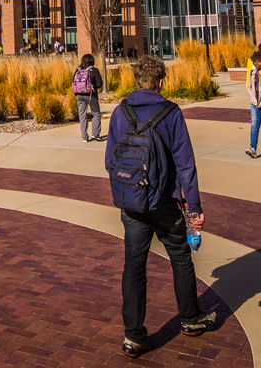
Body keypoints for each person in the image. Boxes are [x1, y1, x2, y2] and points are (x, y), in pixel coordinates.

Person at [106, 55, 215, 357]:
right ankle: (190, 319)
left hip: (131, 203)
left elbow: (109, 160)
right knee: (180, 256)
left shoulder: (120, 111)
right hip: (164, 202)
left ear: (137, 80)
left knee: (134, 266)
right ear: (160, 81)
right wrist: (193, 208)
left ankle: (134, 337)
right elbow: (185, 165)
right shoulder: (171, 113)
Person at [73, 54, 103, 142]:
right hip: (91, 95)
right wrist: (92, 87)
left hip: (79, 95)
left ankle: (84, 136)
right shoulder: (94, 70)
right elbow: (99, 83)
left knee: (82, 116)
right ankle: (95, 134)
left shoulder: (78, 70)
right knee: (96, 113)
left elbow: (73, 82)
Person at [246, 51, 261, 158]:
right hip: (255, 104)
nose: (256, 64)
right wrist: (252, 98)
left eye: (258, 62)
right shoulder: (252, 72)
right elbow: (249, 86)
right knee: (254, 125)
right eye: (255, 62)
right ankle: (253, 148)